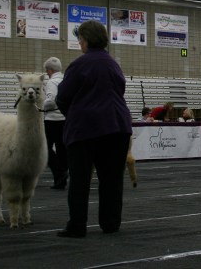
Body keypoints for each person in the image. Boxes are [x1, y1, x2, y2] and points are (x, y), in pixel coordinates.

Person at [55, 20, 133, 238]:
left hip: (86, 128)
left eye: (80, 39)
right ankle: (110, 222)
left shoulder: (80, 64)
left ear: (86, 40)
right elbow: (120, 90)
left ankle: (77, 225)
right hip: (117, 126)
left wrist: (74, 115)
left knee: (80, 179)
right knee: (112, 179)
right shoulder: (113, 64)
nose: (79, 43)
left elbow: (62, 96)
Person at [43, 57, 68, 190]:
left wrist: (41, 107)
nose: (46, 72)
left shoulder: (52, 82)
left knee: (45, 149)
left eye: (47, 70)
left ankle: (59, 172)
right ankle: (61, 180)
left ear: (50, 70)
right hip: (64, 119)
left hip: (52, 119)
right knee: (62, 149)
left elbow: (50, 100)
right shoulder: (65, 80)